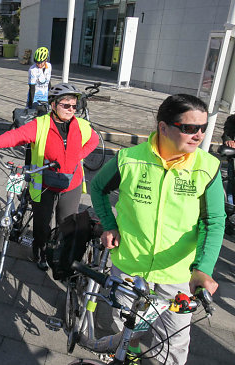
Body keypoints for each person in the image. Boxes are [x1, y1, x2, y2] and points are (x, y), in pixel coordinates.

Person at [90, 94, 225, 364]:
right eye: (189, 127)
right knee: (129, 332)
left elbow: (213, 222)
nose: (198, 135)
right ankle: (131, 357)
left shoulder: (207, 167)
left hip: (177, 275)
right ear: (163, 127)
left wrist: (203, 268)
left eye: (203, 128)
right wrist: (109, 225)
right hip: (130, 266)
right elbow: (97, 187)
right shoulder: (129, 159)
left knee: (173, 344)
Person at [0, 83, 99, 270]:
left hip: (71, 185)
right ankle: (40, 253)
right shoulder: (41, 125)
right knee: (42, 226)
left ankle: (61, 257)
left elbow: (94, 141)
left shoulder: (82, 126)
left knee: (67, 226)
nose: (71, 109)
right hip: (45, 184)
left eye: (74, 105)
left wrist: (79, 156)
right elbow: (16, 136)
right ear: (53, 105)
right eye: (66, 105)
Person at [27, 46, 52, 114]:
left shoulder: (49, 66)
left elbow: (48, 82)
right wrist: (31, 103)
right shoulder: (32, 70)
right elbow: (32, 88)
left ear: (46, 59)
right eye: (37, 62)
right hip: (35, 96)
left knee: (45, 117)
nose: (39, 64)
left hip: (45, 96)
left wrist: (51, 96)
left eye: (41, 62)